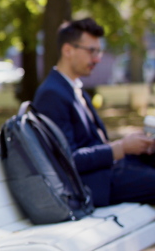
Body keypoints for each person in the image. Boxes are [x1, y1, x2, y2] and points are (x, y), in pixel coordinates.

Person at [33, 18, 155, 208]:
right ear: (68, 50)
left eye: (98, 51)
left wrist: (134, 145)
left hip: (109, 171)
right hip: (94, 184)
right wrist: (121, 147)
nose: (97, 58)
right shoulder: (52, 94)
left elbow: (94, 142)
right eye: (91, 51)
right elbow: (67, 160)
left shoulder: (74, 88)